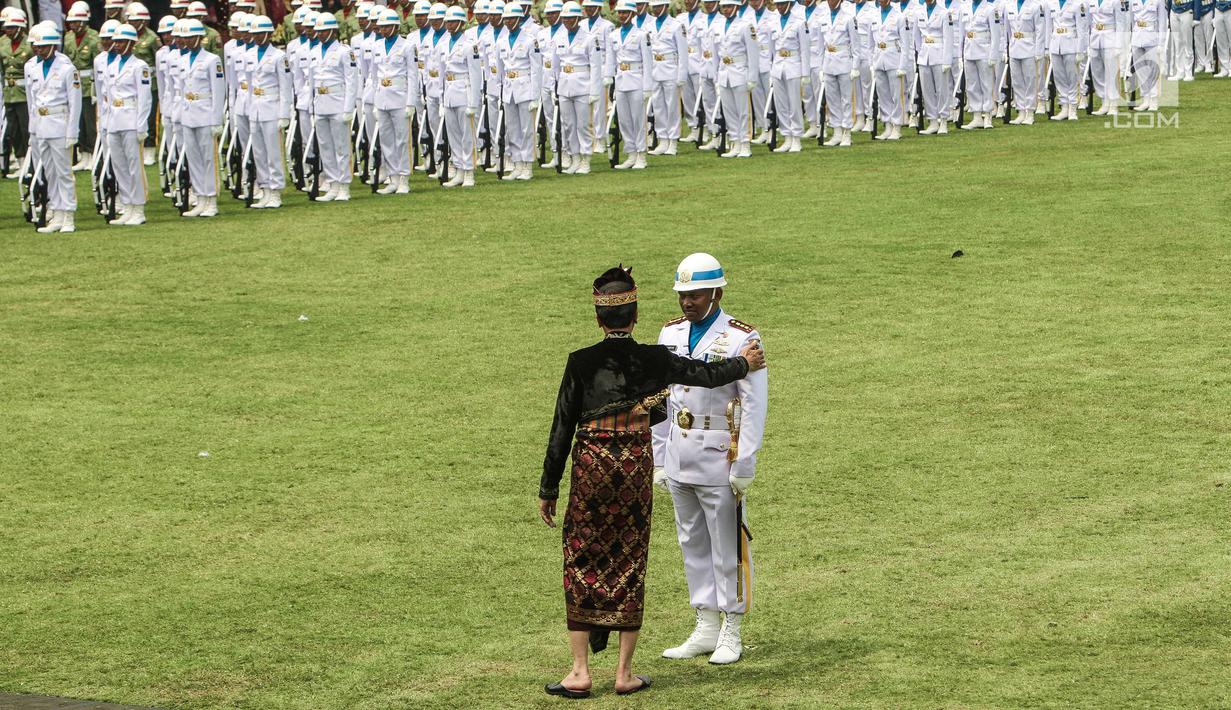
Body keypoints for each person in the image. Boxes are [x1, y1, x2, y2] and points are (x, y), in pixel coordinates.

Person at [539, 265, 766, 700]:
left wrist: (549, 489)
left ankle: (581, 669)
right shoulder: (658, 354)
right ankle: (628, 670)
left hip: (593, 472)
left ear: (599, 318)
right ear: (636, 315)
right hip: (636, 475)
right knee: (631, 560)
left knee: (582, 561)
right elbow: (704, 375)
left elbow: (560, 427)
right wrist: (744, 363)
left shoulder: (580, 362)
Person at [654, 252, 767, 666]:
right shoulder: (669, 333)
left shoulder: (741, 337)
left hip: (721, 453)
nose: (688, 301)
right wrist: (658, 455)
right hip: (681, 448)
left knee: (727, 545)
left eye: (696, 294)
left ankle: (731, 627)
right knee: (691, 541)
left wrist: (745, 464)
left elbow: (753, 405)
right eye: (684, 294)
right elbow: (661, 397)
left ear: (717, 292)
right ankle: (704, 623)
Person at [25, 22, 82, 233]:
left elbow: (75, 103)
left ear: (52, 46)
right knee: (49, 173)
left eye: (42, 46)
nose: (38, 50)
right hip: (41, 125)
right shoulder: (34, 67)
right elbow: (33, 102)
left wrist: (72, 131)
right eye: (36, 46)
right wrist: (32, 130)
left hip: (60, 124)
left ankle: (68, 215)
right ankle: (57, 213)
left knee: (64, 173)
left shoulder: (67, 69)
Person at [103, 22, 153, 226]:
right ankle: (127, 206)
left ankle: (138, 208)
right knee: (119, 165)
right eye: (116, 41)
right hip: (114, 118)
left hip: (131, 117)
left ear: (132, 43)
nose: (117, 45)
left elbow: (145, 98)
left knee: (134, 166)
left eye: (122, 41)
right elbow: (106, 95)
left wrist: (142, 125)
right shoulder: (112, 66)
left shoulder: (139, 66)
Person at [176, 18, 225, 218]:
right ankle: (200, 197)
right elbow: (180, 89)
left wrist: (216, 119)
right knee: (194, 158)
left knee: (208, 158)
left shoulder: (212, 60)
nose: (186, 41)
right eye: (184, 38)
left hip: (205, 112)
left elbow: (218, 90)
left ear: (199, 38)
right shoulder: (182, 60)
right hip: (188, 112)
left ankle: (211, 199)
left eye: (190, 38)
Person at [370, 7, 422, 194]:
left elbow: (413, 76)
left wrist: (411, 103)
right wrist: (375, 102)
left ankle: (404, 178)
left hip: (400, 97)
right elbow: (374, 77)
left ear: (394, 26)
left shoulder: (407, 46)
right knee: (386, 140)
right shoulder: (376, 46)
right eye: (380, 27)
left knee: (402, 139)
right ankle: (392, 178)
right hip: (382, 97)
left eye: (386, 27)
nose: (382, 30)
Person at [308, 12, 358, 201]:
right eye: (318, 31)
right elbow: (311, 82)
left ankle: (344, 185)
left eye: (324, 31)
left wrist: (348, 108)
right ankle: (332, 183)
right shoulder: (313, 52)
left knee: (341, 146)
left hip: (338, 102)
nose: (320, 34)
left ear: (333, 31)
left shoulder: (345, 51)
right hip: (321, 103)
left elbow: (351, 81)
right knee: (325, 147)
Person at [548, 1, 602, 175]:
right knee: (569, 125)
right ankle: (575, 157)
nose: (567, 21)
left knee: (583, 125)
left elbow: (595, 66)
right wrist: (553, 87)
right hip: (564, 85)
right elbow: (555, 66)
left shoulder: (589, 38)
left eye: (571, 18)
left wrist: (594, 91)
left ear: (578, 18)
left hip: (583, 85)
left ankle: (586, 158)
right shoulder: (558, 38)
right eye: (565, 18)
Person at [245, 15, 293, 209]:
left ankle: (275, 191)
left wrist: (284, 114)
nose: (256, 38)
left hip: (272, 106)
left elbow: (285, 87)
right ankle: (264, 189)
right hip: (255, 107)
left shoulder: (279, 57)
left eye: (260, 34)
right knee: (259, 152)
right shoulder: (249, 55)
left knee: (273, 152)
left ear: (269, 34)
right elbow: (249, 85)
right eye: (254, 34)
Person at [494, 1, 543, 181]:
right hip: (509, 89)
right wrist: (500, 93)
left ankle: (527, 165)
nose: (507, 22)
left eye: (511, 19)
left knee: (526, 129)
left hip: (525, 87)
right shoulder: (501, 42)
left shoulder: (530, 40)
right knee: (512, 129)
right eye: (506, 19)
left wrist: (535, 96)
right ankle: (516, 164)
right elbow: (500, 71)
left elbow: (536, 70)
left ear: (519, 18)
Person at [438, 5, 481, 187]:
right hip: (449, 93)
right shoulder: (443, 44)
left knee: (467, 135)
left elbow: (475, 75)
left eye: (453, 21)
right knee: (453, 135)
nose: (449, 25)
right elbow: (441, 74)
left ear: (462, 23)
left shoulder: (470, 46)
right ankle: (459, 170)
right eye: (447, 21)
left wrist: (473, 102)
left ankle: (469, 171)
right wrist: (441, 99)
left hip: (464, 91)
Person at [606, 0, 652, 170]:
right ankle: (631, 153)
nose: (622, 15)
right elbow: (611, 61)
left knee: (638, 119)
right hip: (621, 80)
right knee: (624, 120)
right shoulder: (614, 35)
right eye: (620, 12)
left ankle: (641, 154)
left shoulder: (641, 34)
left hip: (636, 79)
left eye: (625, 12)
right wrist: (609, 80)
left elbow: (648, 62)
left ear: (632, 14)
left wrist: (647, 86)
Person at [711, 0, 758, 157]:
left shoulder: (745, 26)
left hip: (739, 71)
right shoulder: (717, 26)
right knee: (729, 110)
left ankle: (745, 143)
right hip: (724, 73)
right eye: (724, 7)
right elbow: (715, 55)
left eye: (730, 6)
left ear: (737, 7)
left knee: (743, 111)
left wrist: (752, 77)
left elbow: (753, 53)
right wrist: (716, 78)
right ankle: (735, 142)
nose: (726, 9)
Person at [646, 0, 688, 154]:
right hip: (655, 69)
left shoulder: (677, 25)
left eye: (658, 6)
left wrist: (681, 75)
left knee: (672, 107)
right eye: (654, 7)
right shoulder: (649, 26)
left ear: (666, 6)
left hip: (671, 68)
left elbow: (683, 52)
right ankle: (662, 139)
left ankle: (673, 141)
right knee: (658, 106)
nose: (656, 10)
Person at [62, 1, 99, 170]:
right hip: (73, 84)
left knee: (90, 121)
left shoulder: (93, 37)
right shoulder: (68, 37)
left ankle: (93, 154)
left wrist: (96, 88)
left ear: (84, 22)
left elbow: (97, 64)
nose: (73, 25)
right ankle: (83, 155)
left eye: (76, 22)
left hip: (88, 84)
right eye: (71, 22)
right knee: (79, 122)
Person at [818, 0, 859, 147]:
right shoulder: (822, 17)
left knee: (846, 99)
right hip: (828, 61)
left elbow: (855, 44)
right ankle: (836, 131)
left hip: (843, 61)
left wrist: (855, 66)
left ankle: (847, 132)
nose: (830, 1)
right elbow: (820, 45)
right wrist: (820, 67)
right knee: (832, 100)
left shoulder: (848, 17)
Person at [869, 0, 911, 139]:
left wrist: (903, 65)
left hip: (894, 57)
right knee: (883, 95)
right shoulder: (874, 16)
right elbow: (870, 43)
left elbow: (905, 44)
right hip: (879, 58)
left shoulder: (899, 16)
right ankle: (887, 125)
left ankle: (897, 126)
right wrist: (871, 63)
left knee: (896, 95)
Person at [916, 0, 956, 134]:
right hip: (924, 54)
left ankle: (943, 119)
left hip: (939, 54)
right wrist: (919, 51)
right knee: (927, 90)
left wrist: (947, 60)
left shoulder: (944, 13)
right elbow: (917, 36)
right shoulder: (919, 11)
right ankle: (932, 121)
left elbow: (948, 38)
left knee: (941, 89)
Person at [3, 9, 33, 178]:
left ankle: (31, 163)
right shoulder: (3, 43)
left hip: (24, 93)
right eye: (8, 27)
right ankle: (21, 162)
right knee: (14, 130)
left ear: (21, 28)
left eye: (13, 27)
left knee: (26, 128)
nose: (8, 30)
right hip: (10, 93)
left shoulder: (29, 46)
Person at [1005, 0, 1046, 124]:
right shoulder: (1009, 6)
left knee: (1030, 80)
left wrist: (1039, 51)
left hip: (1029, 46)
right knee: (1017, 81)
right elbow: (1007, 30)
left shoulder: (1034, 6)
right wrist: (1006, 48)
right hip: (1014, 47)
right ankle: (1021, 110)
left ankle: (1030, 112)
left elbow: (1040, 31)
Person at [1088, 0, 1126, 115]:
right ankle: (1104, 102)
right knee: (1097, 72)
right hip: (1095, 38)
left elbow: (1120, 22)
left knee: (1112, 73)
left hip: (1110, 38)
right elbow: (1089, 22)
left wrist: (1119, 45)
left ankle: (1113, 104)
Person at [1129, 0, 1167, 110]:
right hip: (1137, 37)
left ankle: (1154, 100)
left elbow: (1162, 22)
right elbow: (1132, 21)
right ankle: (1146, 99)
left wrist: (1161, 43)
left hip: (1152, 37)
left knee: (1153, 70)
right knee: (1140, 71)